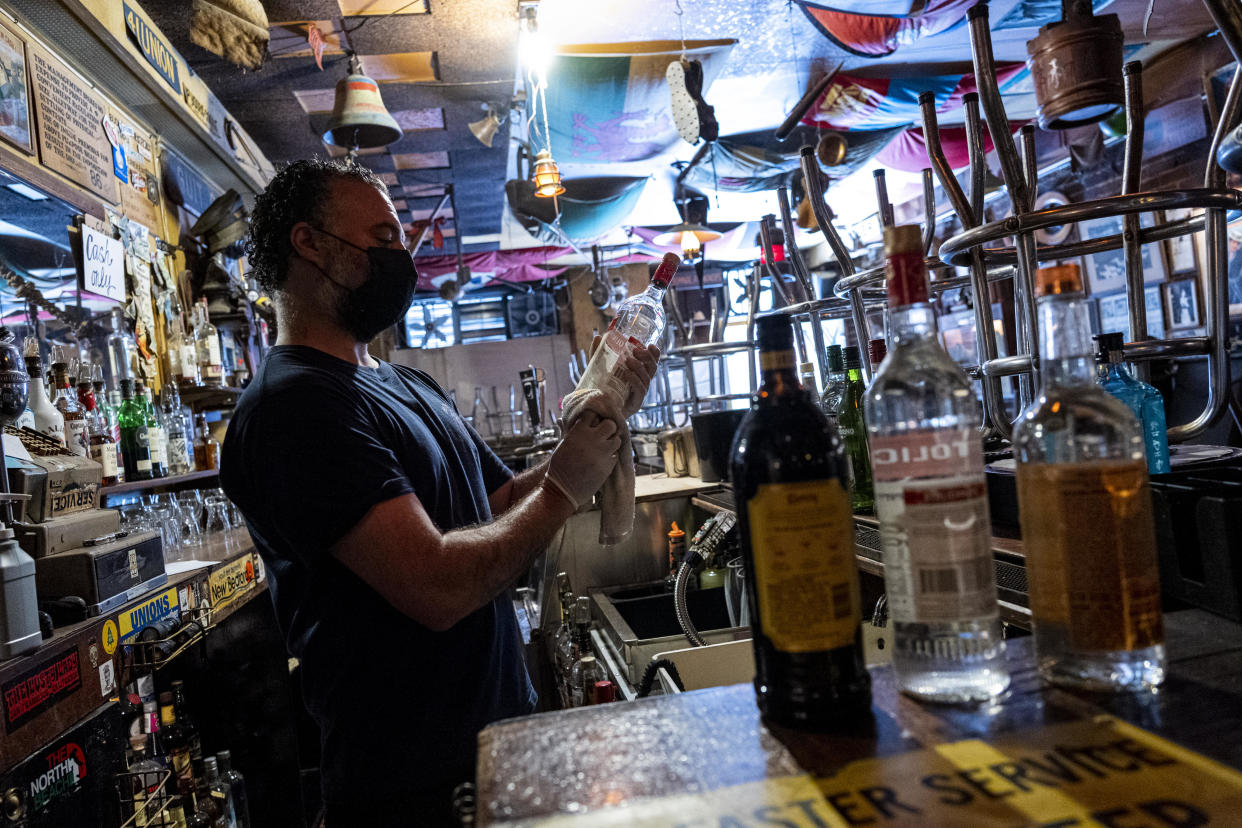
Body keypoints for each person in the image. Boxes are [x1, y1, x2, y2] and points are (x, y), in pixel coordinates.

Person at [220, 159, 660, 824]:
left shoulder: (405, 383)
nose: (402, 256)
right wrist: (564, 491)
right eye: (383, 237)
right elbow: (435, 587)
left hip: (497, 758)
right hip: (409, 793)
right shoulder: (292, 409)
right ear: (308, 243)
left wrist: (595, 430)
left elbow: (499, 507)